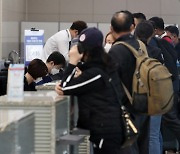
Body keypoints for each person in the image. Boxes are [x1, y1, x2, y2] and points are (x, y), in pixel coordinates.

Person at [55, 27, 125, 154]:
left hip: (106, 132)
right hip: (107, 129)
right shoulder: (101, 67)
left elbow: (64, 88)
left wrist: (72, 62)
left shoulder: (96, 73)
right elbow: (66, 85)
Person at [109, 10, 150, 154]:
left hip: (126, 111)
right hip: (144, 105)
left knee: (127, 148)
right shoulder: (140, 46)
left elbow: (111, 85)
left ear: (111, 29)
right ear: (133, 27)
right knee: (142, 146)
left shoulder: (116, 51)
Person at [134, 20, 164, 154]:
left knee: (134, 135)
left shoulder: (129, 50)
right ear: (152, 34)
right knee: (153, 136)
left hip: (135, 97)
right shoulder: (156, 51)